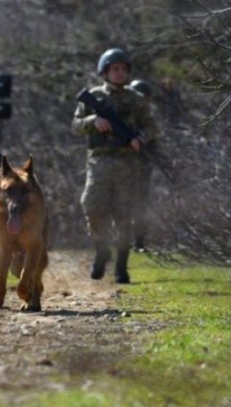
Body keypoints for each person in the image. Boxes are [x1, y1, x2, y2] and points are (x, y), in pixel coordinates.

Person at [72, 48, 158, 284]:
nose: (119, 73)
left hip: (127, 163)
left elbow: (151, 126)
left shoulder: (136, 99)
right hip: (99, 161)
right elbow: (76, 125)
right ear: (105, 72)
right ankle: (101, 250)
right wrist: (93, 121)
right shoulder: (94, 96)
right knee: (91, 206)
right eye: (114, 69)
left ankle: (121, 265)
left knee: (124, 215)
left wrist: (140, 138)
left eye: (122, 69)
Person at [128, 78, 159, 253]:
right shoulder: (124, 117)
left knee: (141, 204)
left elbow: (153, 141)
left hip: (142, 167)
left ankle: (139, 241)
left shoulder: (148, 120)